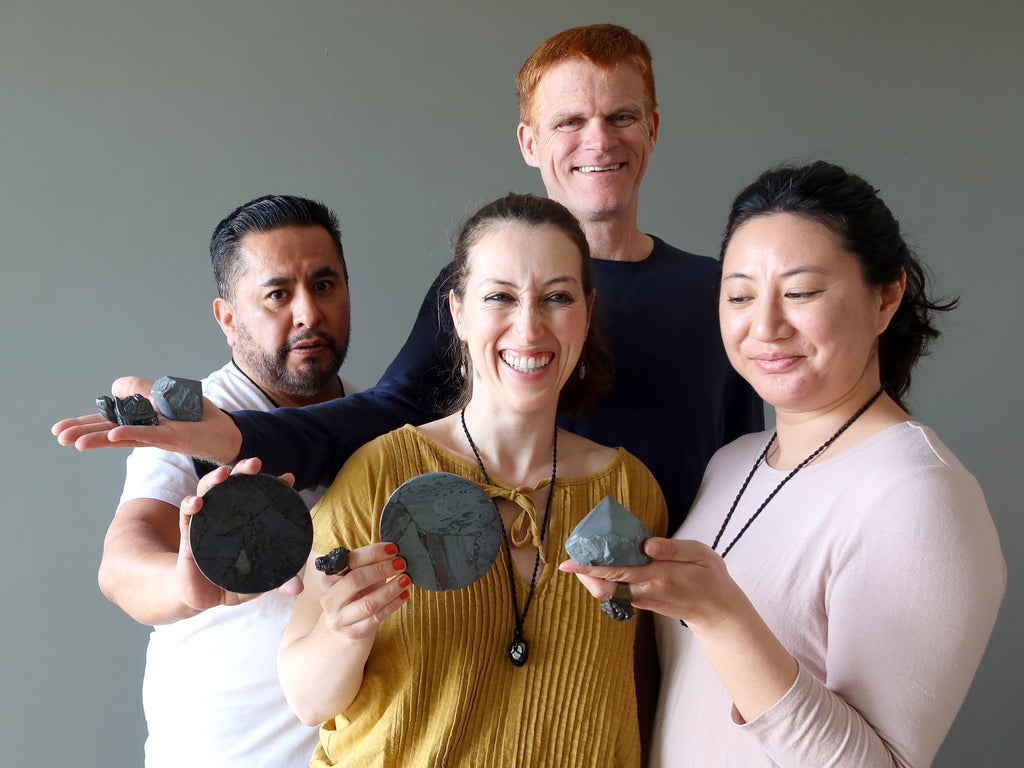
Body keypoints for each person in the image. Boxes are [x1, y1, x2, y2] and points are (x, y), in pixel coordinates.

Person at [52, 24, 762, 531]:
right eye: (570, 120)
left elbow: (749, 473)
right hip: (513, 612)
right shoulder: (472, 285)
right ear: (529, 142)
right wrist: (236, 436)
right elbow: (384, 415)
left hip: (680, 626)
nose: (599, 140)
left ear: (654, 128)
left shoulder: (718, 294)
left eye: (622, 116)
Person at [561, 161, 1006, 767]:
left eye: (800, 292)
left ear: (886, 297)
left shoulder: (918, 494)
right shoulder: (734, 462)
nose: (765, 326)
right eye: (740, 294)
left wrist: (720, 613)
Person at [270, 192, 668, 767]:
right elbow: (308, 702)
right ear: (458, 313)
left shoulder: (632, 492)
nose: (528, 327)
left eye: (557, 297)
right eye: (499, 297)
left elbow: (642, 697)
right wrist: (344, 629)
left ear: (587, 309)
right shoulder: (379, 474)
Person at [99, 194, 358, 768]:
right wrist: (187, 584)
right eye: (277, 294)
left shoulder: (378, 426)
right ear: (227, 318)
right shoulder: (192, 422)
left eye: (324, 285)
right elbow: (122, 562)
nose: (308, 314)